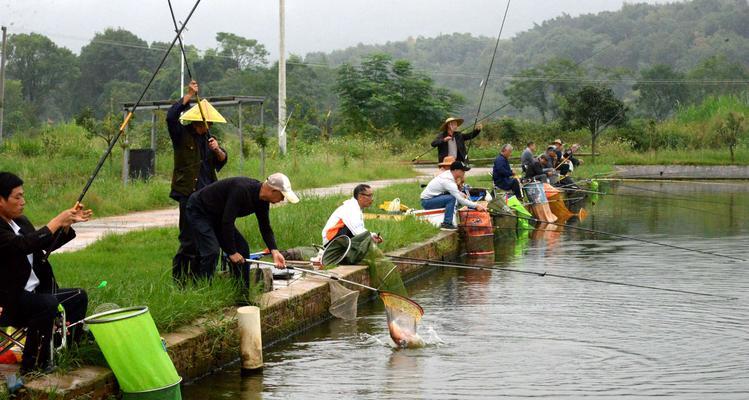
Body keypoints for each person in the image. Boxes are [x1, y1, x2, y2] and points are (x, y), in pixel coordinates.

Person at [0, 172, 91, 373]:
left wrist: (66, 226)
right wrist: (56, 220)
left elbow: (42, 245)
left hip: (34, 296)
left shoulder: (20, 222)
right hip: (9, 302)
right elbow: (22, 245)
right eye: (17, 197)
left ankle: (64, 353)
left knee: (78, 297)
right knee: (47, 304)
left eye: (23, 196)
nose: (23, 202)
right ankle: (33, 365)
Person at [166, 80, 228, 283]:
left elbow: (223, 159)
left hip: (208, 195)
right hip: (188, 194)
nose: (207, 126)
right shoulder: (181, 135)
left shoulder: (210, 140)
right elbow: (171, 117)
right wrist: (189, 95)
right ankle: (181, 279)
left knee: (208, 236)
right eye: (205, 123)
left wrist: (217, 149)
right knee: (188, 239)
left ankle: (203, 278)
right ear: (197, 122)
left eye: (209, 124)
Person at [185, 173, 299, 283]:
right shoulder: (242, 189)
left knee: (243, 249)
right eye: (282, 196)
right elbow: (227, 221)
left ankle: (241, 294)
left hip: (218, 217)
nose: (282, 200)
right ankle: (203, 289)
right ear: (273, 190)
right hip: (199, 210)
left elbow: (265, 227)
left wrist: (274, 251)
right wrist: (231, 251)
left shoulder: (263, 201)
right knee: (211, 251)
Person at [420, 161, 487, 230]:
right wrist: (476, 205)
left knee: (454, 197)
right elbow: (461, 201)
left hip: (432, 198)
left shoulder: (449, 174)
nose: (464, 172)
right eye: (462, 170)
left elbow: (451, 191)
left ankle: (452, 219)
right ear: (455, 170)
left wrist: (460, 193)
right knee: (452, 198)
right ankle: (447, 224)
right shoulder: (448, 181)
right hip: (426, 202)